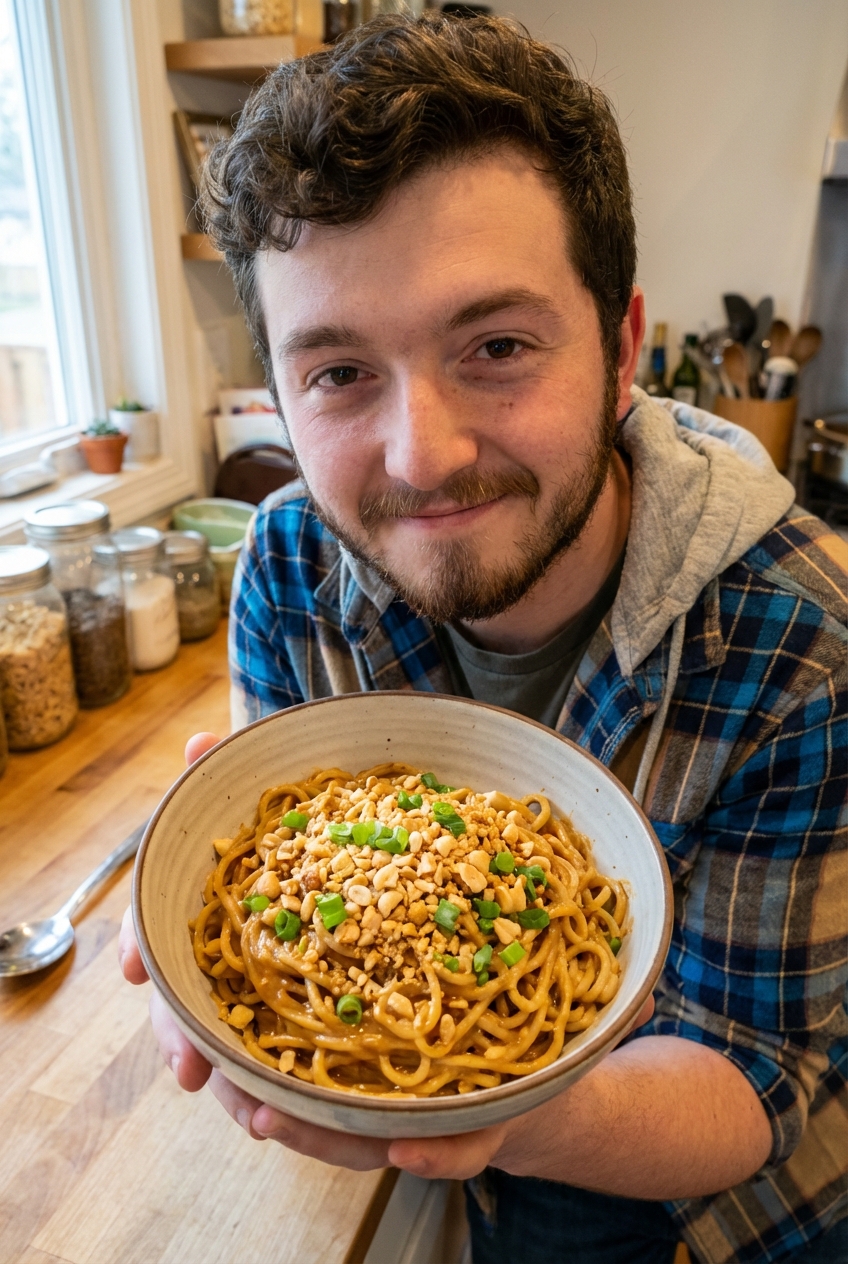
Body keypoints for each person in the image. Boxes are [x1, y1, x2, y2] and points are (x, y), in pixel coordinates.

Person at [119, 16, 847, 1263]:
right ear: (278, 398)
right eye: (340, 372)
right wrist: (212, 905)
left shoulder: (805, 648)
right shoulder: (289, 567)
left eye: (496, 347)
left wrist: (479, 1112)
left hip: (727, 1217)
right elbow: (276, 847)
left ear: (620, 351)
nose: (424, 455)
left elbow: (757, 1079)